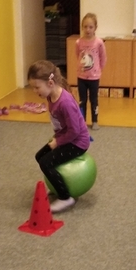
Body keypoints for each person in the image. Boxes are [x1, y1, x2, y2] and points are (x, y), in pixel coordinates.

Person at [27, 60, 91, 213]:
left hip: (77, 142)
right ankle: (57, 185)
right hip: (66, 137)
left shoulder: (65, 103)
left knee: (46, 163)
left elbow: (75, 131)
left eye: (37, 87)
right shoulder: (51, 96)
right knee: (39, 156)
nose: (35, 91)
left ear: (50, 83)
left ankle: (65, 197)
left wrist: (58, 142)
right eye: (33, 87)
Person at [75, 13, 107, 131]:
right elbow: (78, 56)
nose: (88, 29)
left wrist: (98, 70)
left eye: (90, 27)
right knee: (82, 100)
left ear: (95, 28)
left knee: (94, 100)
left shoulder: (99, 42)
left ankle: (95, 121)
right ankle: (82, 121)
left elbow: (103, 58)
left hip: (94, 78)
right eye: (85, 27)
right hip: (81, 77)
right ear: (82, 27)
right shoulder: (79, 42)